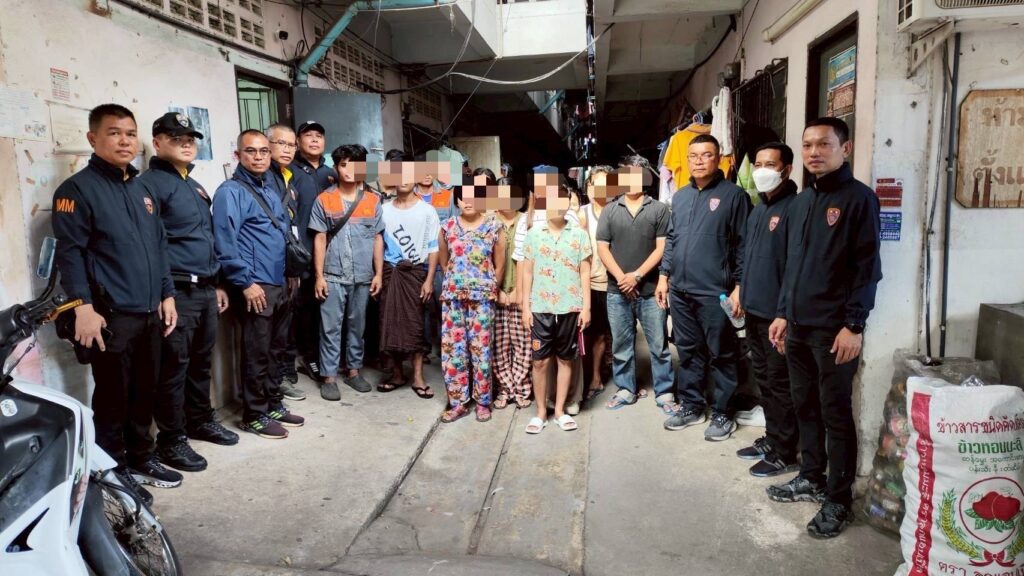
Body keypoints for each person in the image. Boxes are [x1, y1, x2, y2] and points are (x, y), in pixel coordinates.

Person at [52, 104, 180, 504]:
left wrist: (167, 293)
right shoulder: (76, 190)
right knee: (113, 396)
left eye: (130, 133)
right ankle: (113, 469)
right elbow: (69, 254)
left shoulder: (142, 190)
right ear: (93, 138)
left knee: (145, 390)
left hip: (149, 311)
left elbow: (159, 246)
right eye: (114, 133)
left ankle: (142, 456)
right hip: (110, 316)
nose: (124, 141)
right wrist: (82, 307)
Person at [766, 118, 882, 538]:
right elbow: (792, 267)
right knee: (805, 405)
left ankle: (838, 499)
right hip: (797, 325)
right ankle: (811, 476)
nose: (814, 152)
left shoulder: (859, 199)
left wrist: (854, 325)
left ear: (844, 148)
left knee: (835, 413)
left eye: (824, 144)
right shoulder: (801, 202)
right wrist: (782, 312)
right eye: (808, 145)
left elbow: (867, 269)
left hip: (834, 332)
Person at [142, 112, 239, 475]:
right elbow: (151, 246)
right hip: (177, 293)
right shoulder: (149, 185)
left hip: (205, 289)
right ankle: (171, 439)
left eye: (190, 139)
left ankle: (200, 420)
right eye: (176, 138)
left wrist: (218, 284)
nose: (186, 144)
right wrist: (164, 293)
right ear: (157, 143)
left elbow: (207, 239)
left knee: (200, 362)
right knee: (174, 368)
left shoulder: (194, 185)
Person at [656, 134, 751, 441]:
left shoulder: (734, 196)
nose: (698, 161)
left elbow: (743, 245)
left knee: (722, 353)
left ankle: (724, 412)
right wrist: (664, 276)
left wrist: (740, 286)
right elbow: (672, 239)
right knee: (688, 351)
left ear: (718, 158)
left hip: (715, 291)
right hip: (681, 290)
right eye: (693, 156)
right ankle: (693, 406)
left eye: (706, 155)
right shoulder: (681, 197)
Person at [212, 129, 305, 439]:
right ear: (238, 155)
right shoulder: (230, 192)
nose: (259, 157)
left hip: (279, 282)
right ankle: (253, 414)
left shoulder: (269, 189)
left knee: (277, 349)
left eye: (264, 151)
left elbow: (283, 234)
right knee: (257, 351)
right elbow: (225, 242)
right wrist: (244, 282)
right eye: (251, 151)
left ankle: (271, 402)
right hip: (256, 285)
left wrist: (290, 272)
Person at [735, 142, 799, 478]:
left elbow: (794, 269)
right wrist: (741, 292)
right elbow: (747, 257)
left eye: (770, 165)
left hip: (777, 317)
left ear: (786, 169)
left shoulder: (795, 209)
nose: (762, 170)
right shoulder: (759, 209)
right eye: (758, 164)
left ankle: (785, 451)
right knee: (764, 380)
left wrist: (784, 314)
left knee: (780, 382)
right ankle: (773, 439)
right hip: (755, 312)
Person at [597, 156, 674, 412]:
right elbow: (603, 248)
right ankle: (626, 389)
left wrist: (637, 276)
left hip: (651, 291)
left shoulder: (659, 209)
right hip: (617, 291)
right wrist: (623, 278)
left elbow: (662, 248)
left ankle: (664, 392)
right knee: (621, 345)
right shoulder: (610, 210)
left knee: (659, 345)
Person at [309, 144, 384, 401]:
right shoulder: (324, 199)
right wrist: (319, 276)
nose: (350, 170)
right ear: (336, 168)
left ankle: (353, 372)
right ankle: (329, 377)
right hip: (332, 275)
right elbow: (319, 238)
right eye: (344, 165)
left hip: (362, 276)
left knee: (357, 326)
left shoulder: (372, 201)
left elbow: (377, 238)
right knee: (330, 328)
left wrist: (378, 274)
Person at [521, 180, 592, 434]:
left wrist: (586, 307)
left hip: (570, 307)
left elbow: (585, 272)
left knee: (566, 360)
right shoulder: (533, 234)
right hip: (540, 308)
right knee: (540, 362)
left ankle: (560, 410)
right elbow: (527, 272)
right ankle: (541, 412)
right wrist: (525, 307)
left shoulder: (579, 235)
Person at [437, 174, 505, 423]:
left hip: (483, 299)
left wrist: (489, 287)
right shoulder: (447, 227)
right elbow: (444, 262)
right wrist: (457, 283)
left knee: (481, 351)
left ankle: (483, 402)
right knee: (454, 351)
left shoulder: (494, 226)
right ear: (457, 200)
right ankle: (458, 403)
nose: (468, 202)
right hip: (453, 298)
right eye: (463, 197)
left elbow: (499, 264)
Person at [378, 158, 440, 399]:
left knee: (415, 326)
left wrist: (429, 279)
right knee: (390, 323)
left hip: (416, 273)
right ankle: (396, 374)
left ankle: (418, 377)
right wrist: (377, 274)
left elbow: (433, 247)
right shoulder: (384, 209)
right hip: (390, 273)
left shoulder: (427, 210)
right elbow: (378, 243)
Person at [267, 122, 313, 401]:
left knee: (286, 325)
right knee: (271, 333)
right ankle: (274, 384)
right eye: (280, 143)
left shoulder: (289, 178)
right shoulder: (263, 179)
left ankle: (284, 375)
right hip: (269, 268)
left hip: (288, 265)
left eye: (290, 145)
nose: (287, 149)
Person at [291, 120, 335, 381]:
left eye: (319, 135)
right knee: (305, 306)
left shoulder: (332, 173)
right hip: (304, 252)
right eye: (309, 135)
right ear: (298, 141)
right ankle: (309, 357)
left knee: (327, 308)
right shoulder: (290, 171)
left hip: (332, 253)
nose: (315, 140)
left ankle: (329, 355)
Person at [493, 176, 532, 410]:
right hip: (494, 293)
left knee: (523, 345)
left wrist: (519, 290)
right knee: (499, 346)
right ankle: (504, 389)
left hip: (521, 293)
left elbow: (529, 259)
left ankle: (521, 389)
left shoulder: (527, 221)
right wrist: (496, 289)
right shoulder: (488, 222)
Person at [579, 166, 613, 402]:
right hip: (585, 284)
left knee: (602, 335)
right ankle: (581, 380)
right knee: (584, 335)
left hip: (609, 283)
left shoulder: (617, 211)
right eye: (593, 184)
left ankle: (596, 378)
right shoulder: (582, 213)